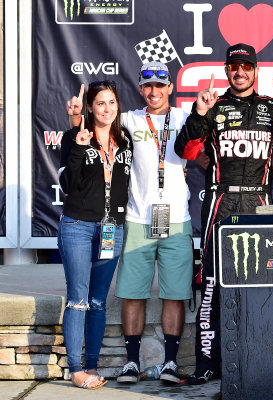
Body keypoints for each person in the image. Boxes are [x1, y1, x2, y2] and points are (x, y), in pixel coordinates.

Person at [67, 61, 193, 385]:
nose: (154, 91)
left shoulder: (184, 118)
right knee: (132, 294)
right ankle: (132, 362)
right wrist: (75, 118)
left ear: (170, 87)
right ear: (140, 89)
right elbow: (95, 125)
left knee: (174, 295)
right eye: (148, 85)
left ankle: (170, 363)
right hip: (136, 219)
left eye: (160, 85)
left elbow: (200, 145)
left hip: (177, 219)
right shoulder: (128, 120)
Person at [174, 43, 273, 384]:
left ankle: (260, 359)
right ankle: (207, 362)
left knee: (262, 281)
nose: (240, 72)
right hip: (221, 200)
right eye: (234, 66)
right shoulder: (213, 106)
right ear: (226, 70)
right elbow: (187, 151)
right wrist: (199, 114)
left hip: (260, 201)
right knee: (211, 282)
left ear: (256, 70)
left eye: (246, 66)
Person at [59, 80, 132, 389]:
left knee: (98, 302)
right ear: (90, 107)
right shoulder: (75, 136)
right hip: (77, 226)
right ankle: (76, 370)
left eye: (111, 103)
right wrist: (78, 146)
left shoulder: (125, 139)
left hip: (112, 229)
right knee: (77, 300)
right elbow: (68, 185)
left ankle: (92, 366)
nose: (107, 109)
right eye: (100, 103)